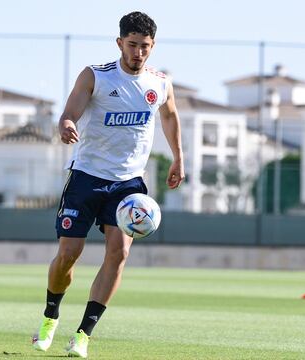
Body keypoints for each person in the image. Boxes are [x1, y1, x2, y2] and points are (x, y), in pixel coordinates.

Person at [32, 11, 184, 358]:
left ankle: (83, 334)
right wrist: (66, 123)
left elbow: (170, 115)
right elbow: (70, 111)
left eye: (145, 46)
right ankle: (50, 316)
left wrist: (179, 157)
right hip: (86, 177)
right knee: (68, 256)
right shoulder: (95, 76)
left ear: (153, 46)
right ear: (120, 43)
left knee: (120, 252)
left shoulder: (160, 83)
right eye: (132, 45)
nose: (138, 53)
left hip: (128, 185)